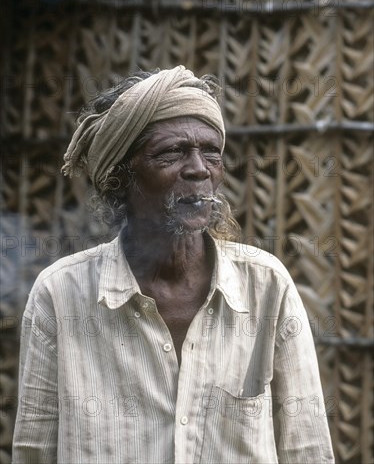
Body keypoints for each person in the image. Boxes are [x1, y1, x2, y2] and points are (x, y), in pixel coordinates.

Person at [12, 66, 334, 463]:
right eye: (171, 153)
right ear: (120, 177)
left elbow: (308, 450)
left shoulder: (266, 288)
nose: (199, 168)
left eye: (210, 152)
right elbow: (34, 453)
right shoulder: (60, 296)